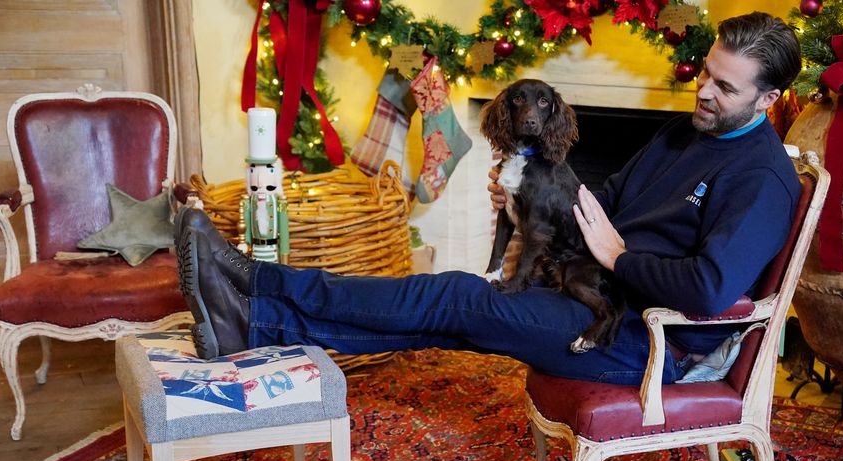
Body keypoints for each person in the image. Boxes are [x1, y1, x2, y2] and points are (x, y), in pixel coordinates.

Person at [176, 11, 803, 386]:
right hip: (582, 288)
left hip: (638, 338)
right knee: (446, 311)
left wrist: (618, 260)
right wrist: (527, 195)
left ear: (767, 100)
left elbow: (710, 290)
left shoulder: (761, 179)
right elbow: (601, 195)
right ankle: (258, 316)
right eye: (704, 74)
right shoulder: (683, 130)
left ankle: (259, 282)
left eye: (724, 87)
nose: (703, 92)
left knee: (451, 294)